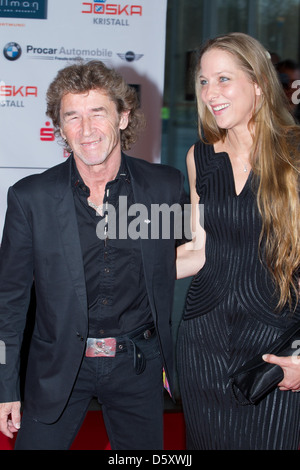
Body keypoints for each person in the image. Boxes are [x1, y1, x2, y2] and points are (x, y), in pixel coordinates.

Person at [0, 60, 187, 450]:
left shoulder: (162, 187)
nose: (86, 130)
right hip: (58, 365)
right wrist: (4, 385)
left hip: (138, 362)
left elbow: (186, 259)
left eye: (98, 113)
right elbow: (9, 303)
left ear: (123, 117)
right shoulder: (30, 198)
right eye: (73, 117)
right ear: (61, 127)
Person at [176, 32, 300, 450]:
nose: (211, 92)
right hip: (202, 340)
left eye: (224, 79)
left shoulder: (295, 154)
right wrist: (116, 263)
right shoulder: (201, 157)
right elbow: (198, 250)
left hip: (274, 348)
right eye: (204, 81)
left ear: (259, 86)